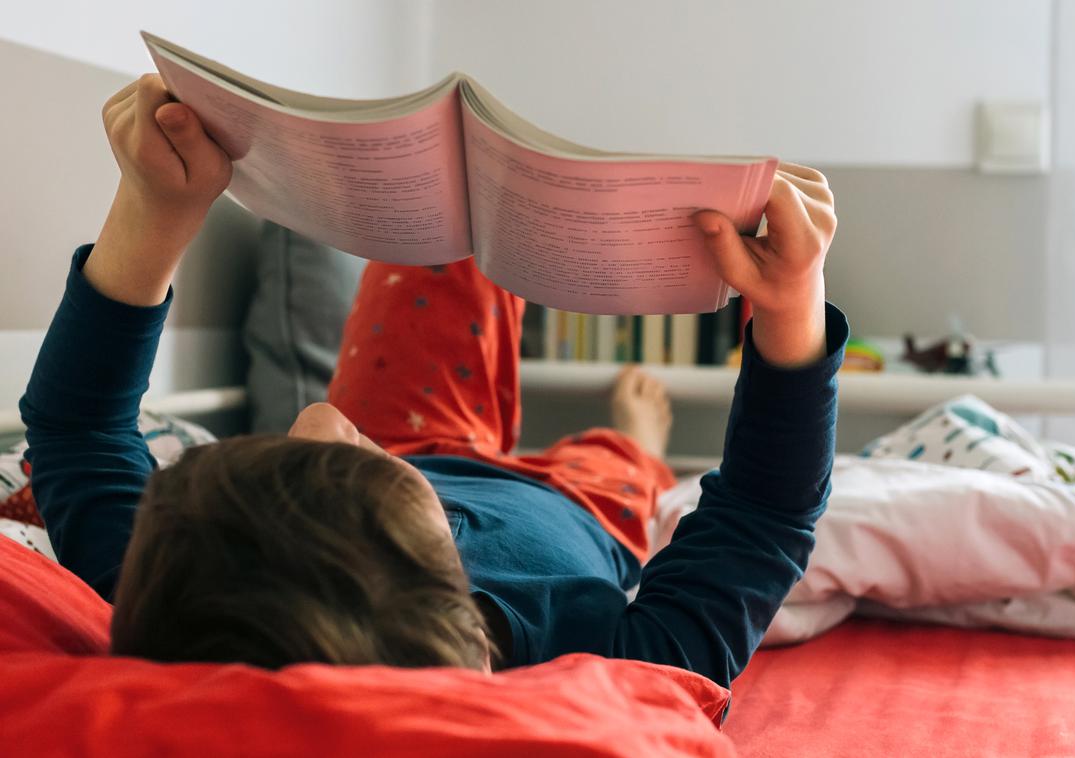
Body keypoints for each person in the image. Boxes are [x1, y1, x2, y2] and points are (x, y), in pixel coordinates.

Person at [20, 74, 847, 689]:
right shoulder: (604, 656)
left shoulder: (180, 588)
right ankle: (636, 436)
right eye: (321, 463)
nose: (317, 415)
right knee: (623, 462)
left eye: (273, 452)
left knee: (450, 225)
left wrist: (153, 207)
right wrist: (790, 309)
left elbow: (77, 429)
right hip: (580, 504)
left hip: (410, 434)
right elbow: (762, 518)